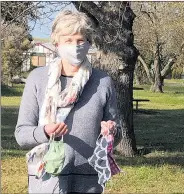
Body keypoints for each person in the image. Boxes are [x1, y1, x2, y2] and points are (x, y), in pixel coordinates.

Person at [15, 10, 121, 193]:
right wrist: (45, 132)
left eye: (81, 40)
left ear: (89, 43)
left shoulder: (103, 81)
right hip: (46, 178)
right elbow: (21, 134)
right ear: (56, 43)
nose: (75, 46)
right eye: (68, 40)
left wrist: (111, 131)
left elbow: (117, 134)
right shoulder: (37, 79)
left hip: (89, 181)